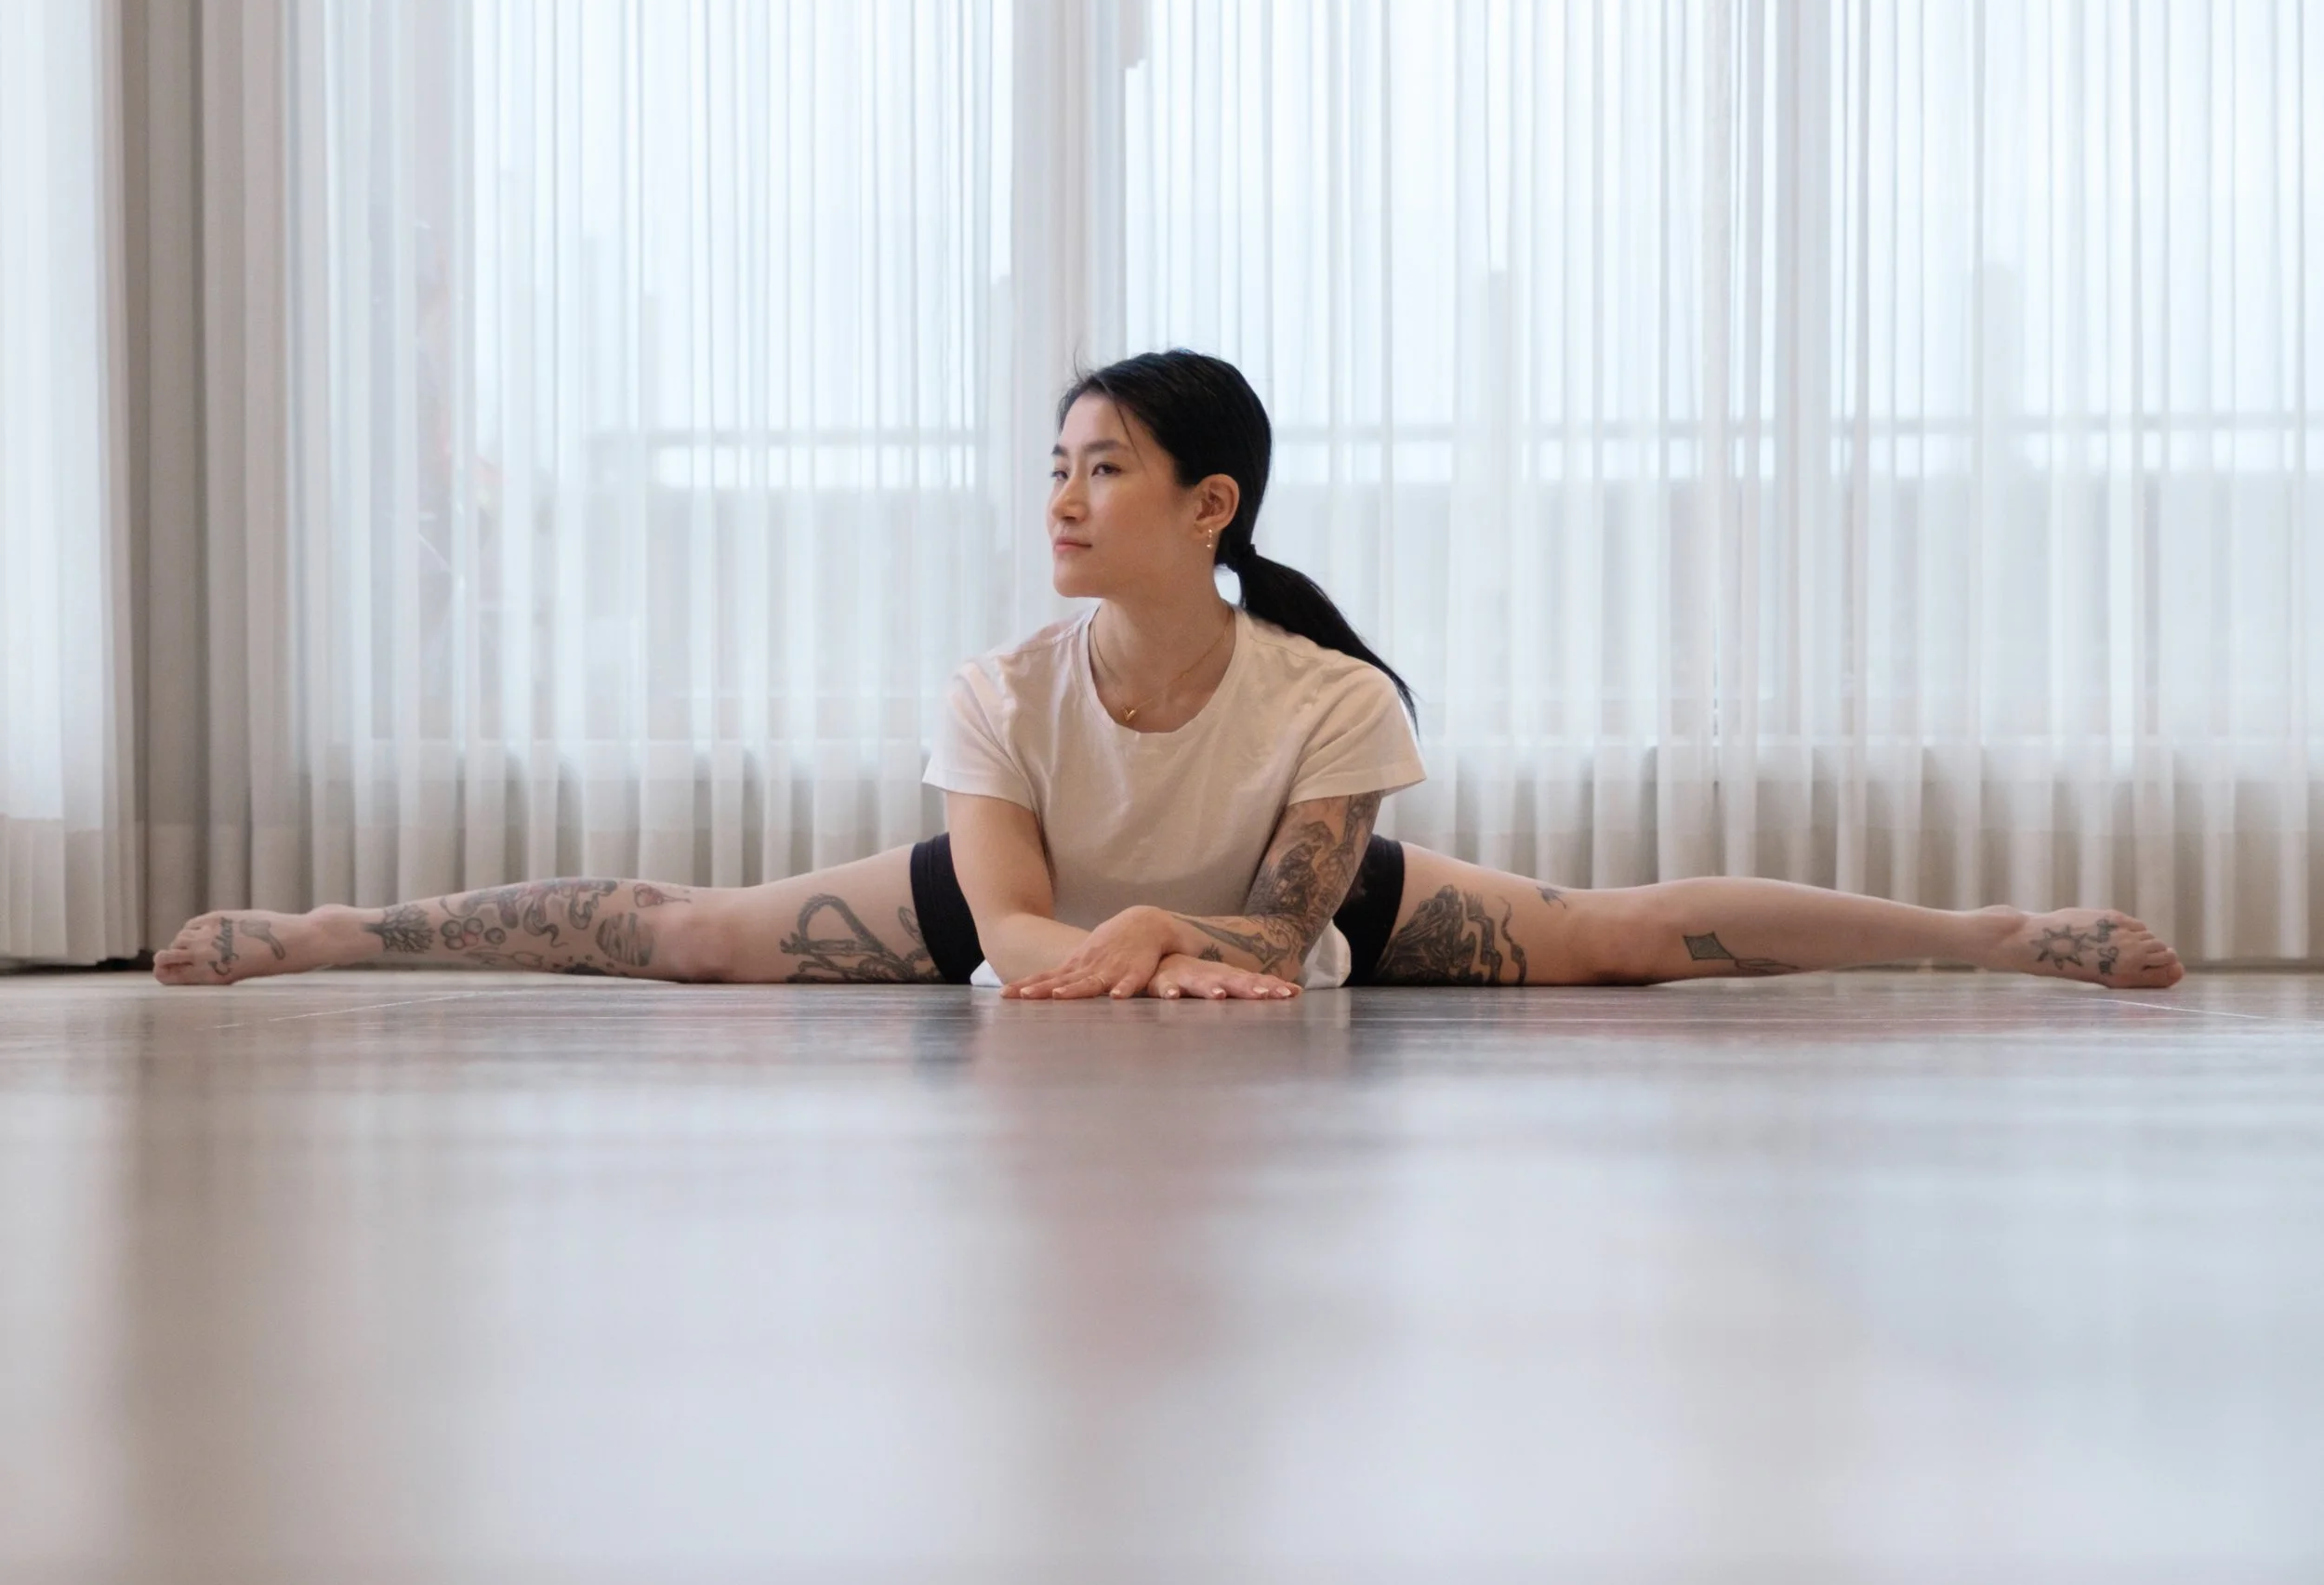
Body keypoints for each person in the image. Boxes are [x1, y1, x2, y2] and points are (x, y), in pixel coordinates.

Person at [153, 351, 2184, 998]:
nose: (1061, 496)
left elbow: (1285, 939)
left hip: (1244, 917)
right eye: (1054, 464)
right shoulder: (999, 690)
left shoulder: (1330, 699)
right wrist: (1113, 946)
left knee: (1619, 936)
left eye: (1102, 468)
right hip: (1045, 904)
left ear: (1208, 504)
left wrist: (1167, 944)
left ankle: (1992, 934)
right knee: (688, 932)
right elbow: (1011, 926)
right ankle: (335, 932)